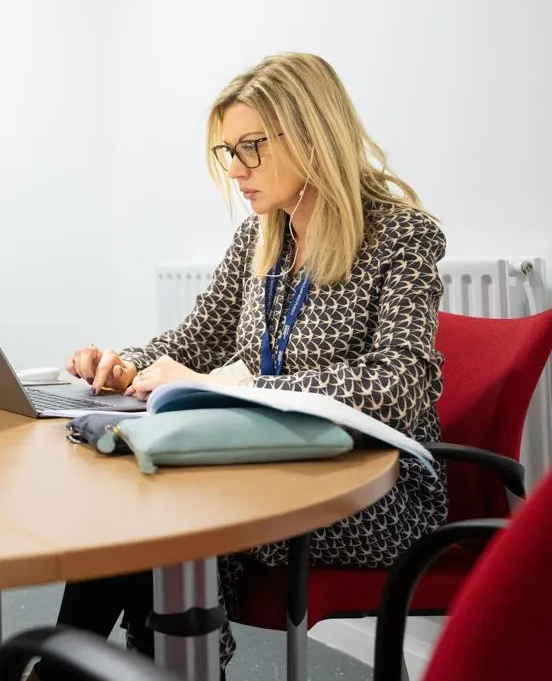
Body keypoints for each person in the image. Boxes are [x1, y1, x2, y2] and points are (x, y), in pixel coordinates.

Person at [38, 52, 450, 679]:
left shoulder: (401, 235)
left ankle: (102, 668)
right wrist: (124, 368)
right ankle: (132, 666)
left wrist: (241, 387)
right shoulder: (262, 238)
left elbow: (404, 387)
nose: (235, 170)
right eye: (226, 152)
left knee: (159, 515)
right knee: (139, 502)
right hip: (270, 460)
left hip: (364, 488)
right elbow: (195, 341)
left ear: (311, 134)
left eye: (250, 148)